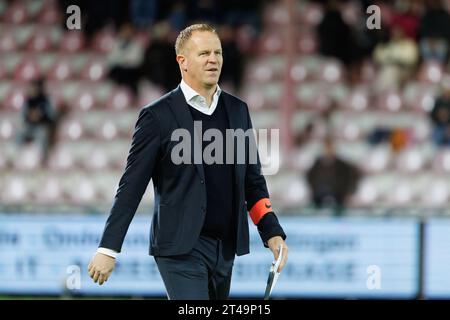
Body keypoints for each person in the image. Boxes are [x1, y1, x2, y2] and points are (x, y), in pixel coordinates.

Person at [88, 23, 288, 300]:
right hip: (180, 250)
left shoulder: (238, 111)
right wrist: (108, 248)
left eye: (217, 52)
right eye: (204, 53)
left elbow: (252, 181)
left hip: (225, 248)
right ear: (182, 61)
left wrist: (272, 232)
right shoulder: (157, 116)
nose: (213, 59)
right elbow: (131, 186)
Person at [306, 136, 360, 214]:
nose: (328, 149)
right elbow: (310, 179)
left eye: (330, 146)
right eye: (326, 147)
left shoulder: (343, 165)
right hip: (319, 200)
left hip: (339, 199)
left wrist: (348, 193)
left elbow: (352, 179)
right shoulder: (316, 165)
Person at [17, 78, 57, 166]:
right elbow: (23, 116)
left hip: (41, 126)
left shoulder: (45, 100)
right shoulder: (28, 101)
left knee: (42, 134)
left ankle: (42, 159)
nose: (32, 90)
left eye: (34, 88)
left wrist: (40, 115)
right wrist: (30, 117)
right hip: (30, 126)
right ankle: (18, 157)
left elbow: (52, 116)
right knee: (19, 133)